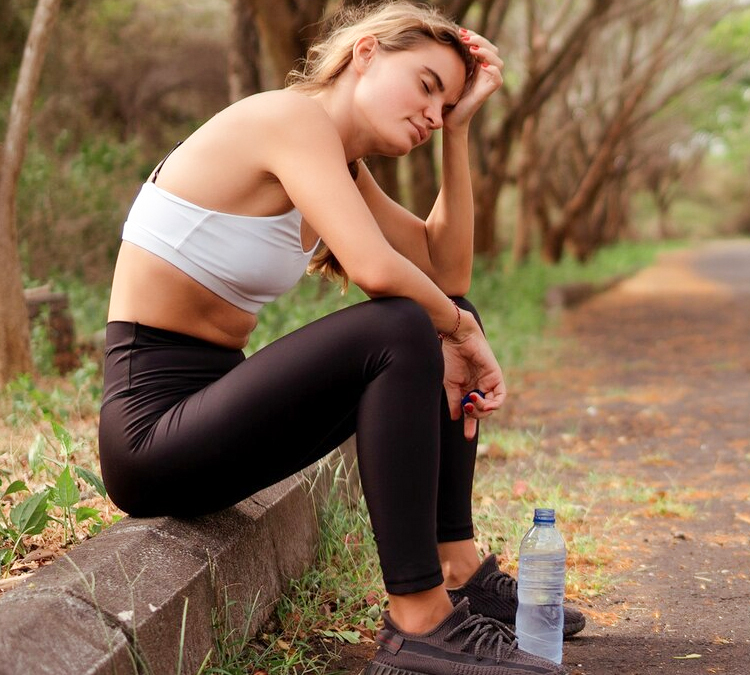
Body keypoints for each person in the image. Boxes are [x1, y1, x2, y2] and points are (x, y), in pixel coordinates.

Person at [97, 3, 581, 674]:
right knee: (403, 326)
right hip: (152, 434)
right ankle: (419, 623)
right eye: (427, 87)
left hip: (213, 413)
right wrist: (462, 331)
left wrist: (460, 133)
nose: (432, 113)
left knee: (435, 311)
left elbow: (446, 273)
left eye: (445, 105)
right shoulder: (289, 119)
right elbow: (380, 273)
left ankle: (457, 570)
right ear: (366, 53)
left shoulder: (342, 164)